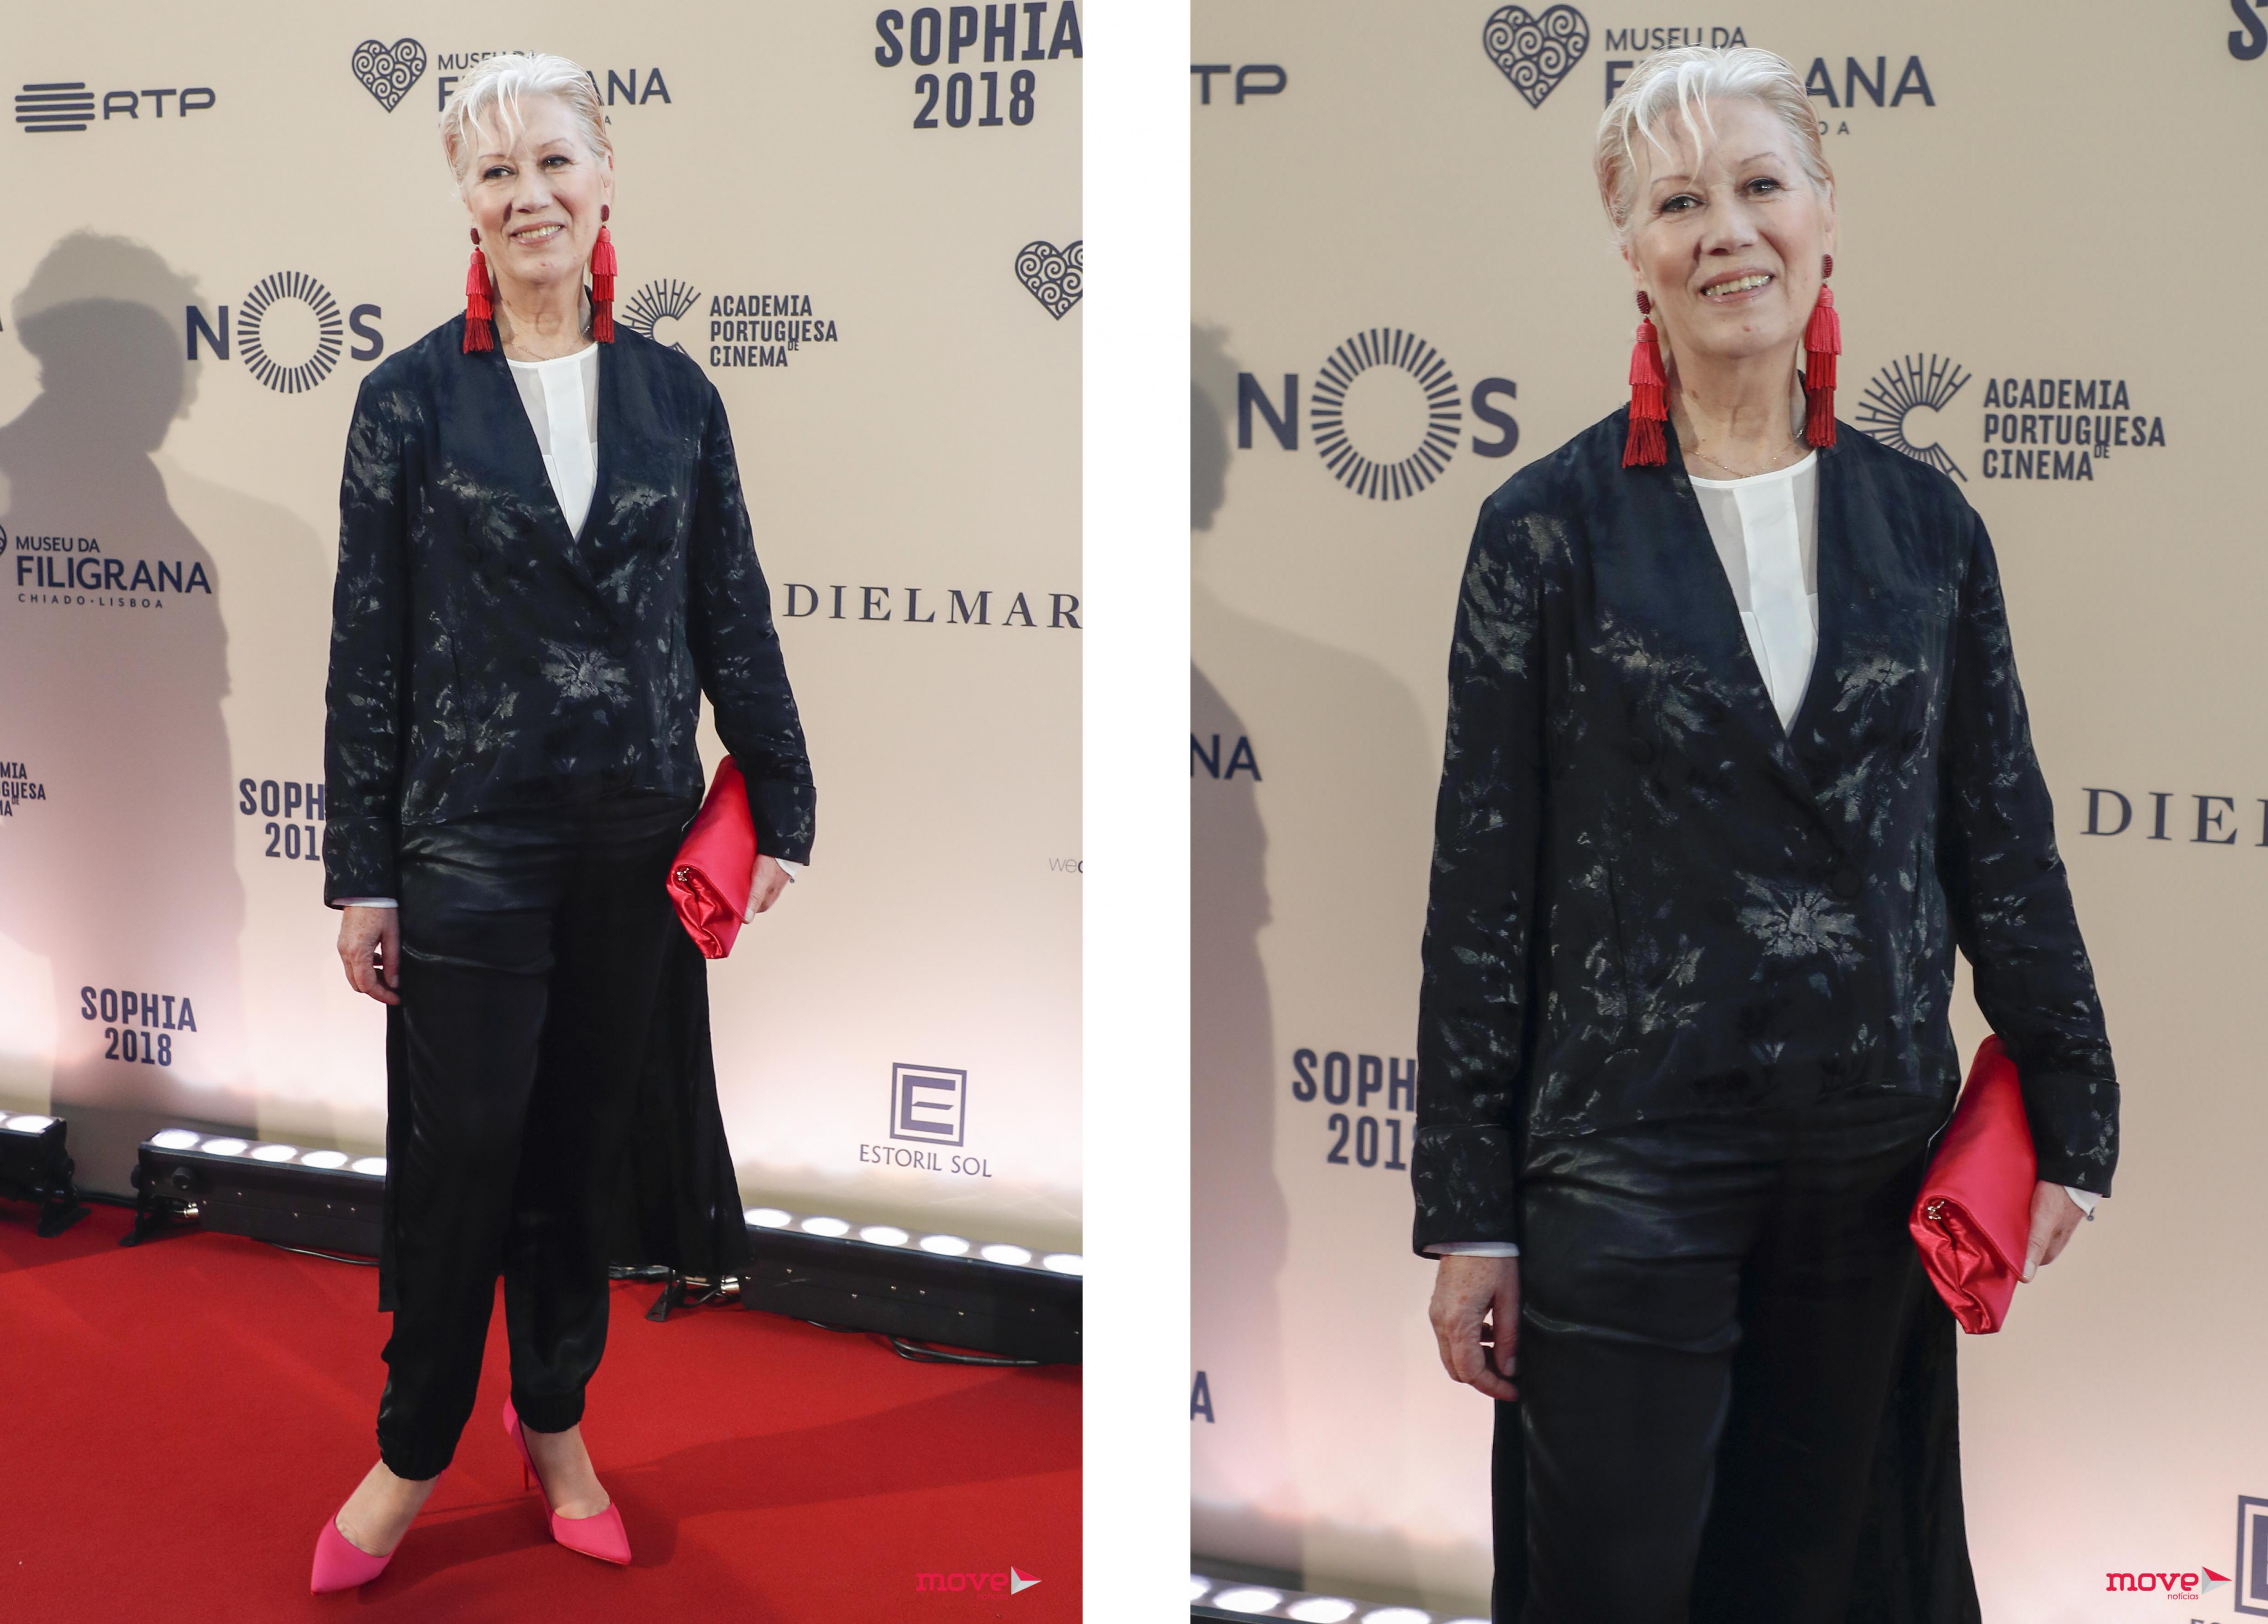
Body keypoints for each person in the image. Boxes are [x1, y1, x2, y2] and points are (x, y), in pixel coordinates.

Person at [1410, 47, 2117, 1624]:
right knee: (1611, 1581)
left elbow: (2000, 833)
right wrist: (1467, 1210)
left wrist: (2073, 1106)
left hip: (1869, 1159)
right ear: (1632, 251)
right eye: (1679, 202)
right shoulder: (1542, 533)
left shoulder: (1929, 528)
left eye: (1758, 186)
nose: (1726, 230)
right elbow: (1482, 889)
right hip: (1621, 1157)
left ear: (1825, 217)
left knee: (1824, 1580)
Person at [310, 52, 814, 1591]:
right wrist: (363, 872)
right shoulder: (406, 402)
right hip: (468, 834)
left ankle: (556, 1424)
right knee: (463, 1149)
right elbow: (367, 649)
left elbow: (731, 610)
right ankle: (411, 1448)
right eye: (495, 171)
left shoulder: (677, 396)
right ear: (464, 201)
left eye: (552, 162)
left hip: (635, 836)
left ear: (603, 178)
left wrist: (781, 800)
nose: (527, 194)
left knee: (581, 1150)